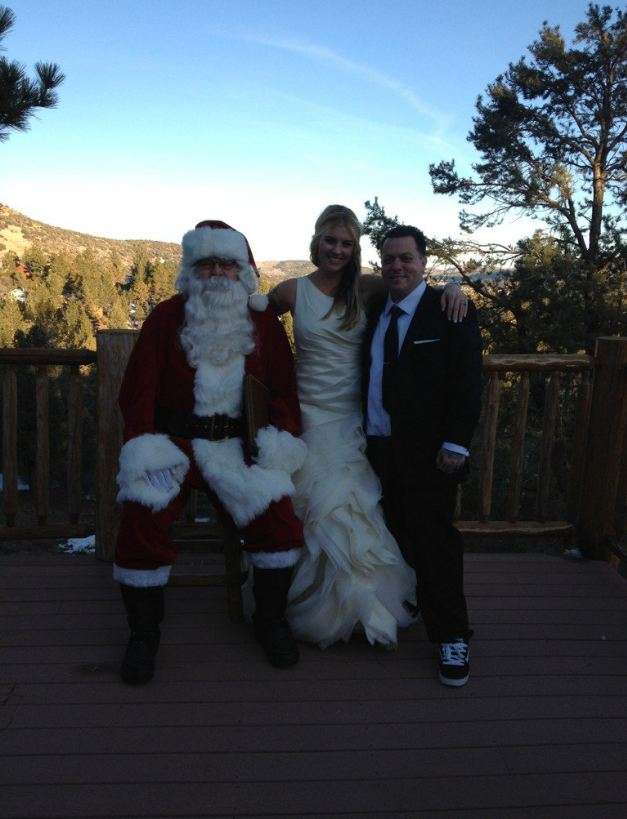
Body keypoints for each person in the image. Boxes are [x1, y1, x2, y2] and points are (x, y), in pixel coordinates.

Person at [113, 220, 308, 683]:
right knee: (141, 514)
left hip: (238, 447)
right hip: (173, 445)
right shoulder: (165, 318)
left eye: (226, 264)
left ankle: (271, 621)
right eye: (206, 264)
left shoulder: (263, 324)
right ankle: (143, 634)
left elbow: (284, 392)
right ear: (190, 270)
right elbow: (137, 391)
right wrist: (144, 445)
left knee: (278, 516)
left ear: (243, 271)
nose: (217, 274)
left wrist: (276, 442)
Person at [266, 205, 468, 649]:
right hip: (310, 417)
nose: (337, 250)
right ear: (315, 241)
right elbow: (254, 323)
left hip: (354, 421)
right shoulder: (290, 292)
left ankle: (365, 611)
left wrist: (454, 286)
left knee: (357, 512)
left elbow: (416, 288)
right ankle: (310, 605)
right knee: (319, 510)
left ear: (355, 250)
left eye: (346, 244)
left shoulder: (366, 287)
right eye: (330, 241)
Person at [363, 224, 482, 686]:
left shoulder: (448, 310)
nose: (397, 266)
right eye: (389, 258)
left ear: (424, 263)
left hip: (429, 452)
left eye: (406, 258)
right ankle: (408, 604)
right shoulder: (375, 309)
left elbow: (467, 381)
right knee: (394, 533)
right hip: (376, 446)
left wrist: (456, 443)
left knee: (436, 542)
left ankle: (453, 634)